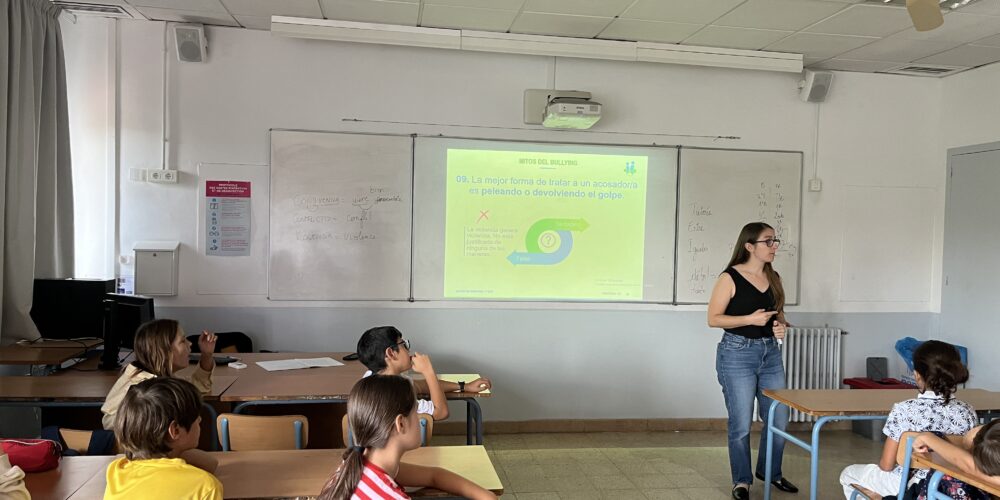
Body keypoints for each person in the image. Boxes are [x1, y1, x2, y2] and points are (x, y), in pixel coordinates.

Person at [707, 222, 797, 500]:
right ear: (749, 246)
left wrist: (780, 326)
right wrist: (750, 319)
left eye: (775, 241)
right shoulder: (729, 277)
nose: (774, 246)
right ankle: (742, 481)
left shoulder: (774, 277)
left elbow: (777, 314)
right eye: (768, 241)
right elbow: (713, 319)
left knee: (779, 417)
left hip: (770, 354)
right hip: (737, 354)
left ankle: (770, 472)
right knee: (741, 423)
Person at [317, 375, 496, 500]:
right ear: (400, 424)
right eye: (415, 412)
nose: (420, 418)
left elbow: (434, 475)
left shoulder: (357, 464)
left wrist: (487, 496)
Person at [839, 340, 977, 499]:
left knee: (848, 474)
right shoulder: (968, 411)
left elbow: (886, 465)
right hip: (950, 484)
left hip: (906, 483)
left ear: (917, 375)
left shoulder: (904, 409)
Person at [104, 377, 222, 500]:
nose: (200, 420)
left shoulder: (116, 471)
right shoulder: (205, 486)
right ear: (175, 430)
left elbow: (210, 463)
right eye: (196, 416)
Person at [101, 319, 217, 430]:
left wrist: (206, 355)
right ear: (165, 351)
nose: (190, 343)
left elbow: (195, 388)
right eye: (182, 341)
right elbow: (111, 422)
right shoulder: (141, 388)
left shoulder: (160, 377)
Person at [357, 326, 491, 421]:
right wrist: (428, 371)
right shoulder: (397, 394)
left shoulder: (371, 378)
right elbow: (441, 413)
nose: (408, 350)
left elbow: (421, 386)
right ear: (391, 353)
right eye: (404, 345)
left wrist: (464, 386)